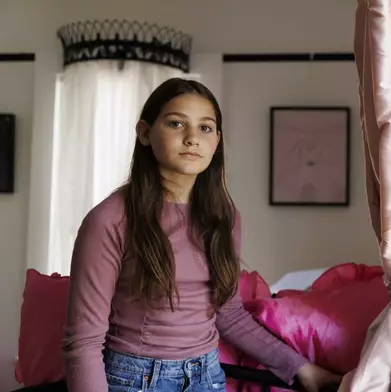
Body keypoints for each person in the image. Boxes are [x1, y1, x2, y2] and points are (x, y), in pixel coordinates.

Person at [61, 78, 342, 392]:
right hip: (134, 379)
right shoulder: (110, 219)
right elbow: (83, 342)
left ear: (217, 141)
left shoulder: (225, 217)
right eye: (176, 123)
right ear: (144, 133)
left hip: (207, 376)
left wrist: (301, 369)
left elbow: (228, 314)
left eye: (205, 128)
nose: (192, 138)